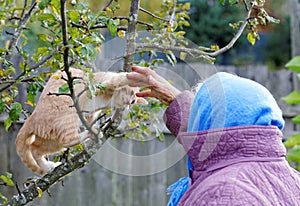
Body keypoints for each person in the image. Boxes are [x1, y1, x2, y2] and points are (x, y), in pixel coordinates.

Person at [127, 66, 300, 206]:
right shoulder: (291, 179)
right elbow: (220, 142)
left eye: (199, 113)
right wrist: (177, 100)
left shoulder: (225, 193)